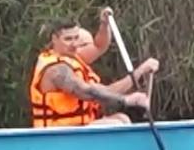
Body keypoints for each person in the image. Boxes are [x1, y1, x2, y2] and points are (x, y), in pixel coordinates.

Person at [29, 19, 158, 127]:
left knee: (122, 118)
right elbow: (85, 91)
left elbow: (106, 89)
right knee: (114, 124)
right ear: (54, 39)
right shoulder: (56, 69)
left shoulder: (74, 59)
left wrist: (140, 72)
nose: (74, 44)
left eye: (76, 38)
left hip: (78, 128)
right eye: (68, 39)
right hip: (58, 133)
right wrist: (125, 100)